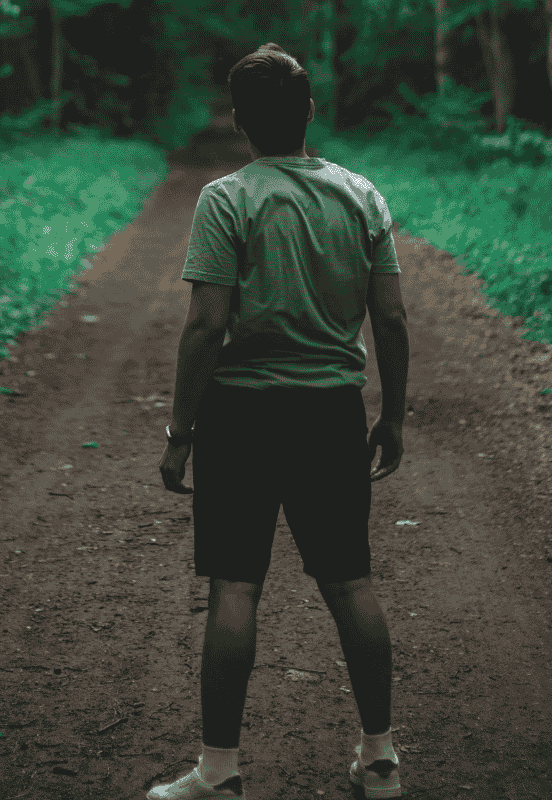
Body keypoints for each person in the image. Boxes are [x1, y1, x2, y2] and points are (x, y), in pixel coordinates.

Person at [152, 42, 410, 800]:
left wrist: (180, 433)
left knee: (235, 588)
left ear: (239, 121)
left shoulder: (226, 201)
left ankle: (220, 771)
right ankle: (380, 759)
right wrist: (392, 415)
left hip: (243, 417)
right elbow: (390, 319)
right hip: (330, 411)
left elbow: (204, 328)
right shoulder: (361, 196)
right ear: (309, 111)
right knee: (350, 583)